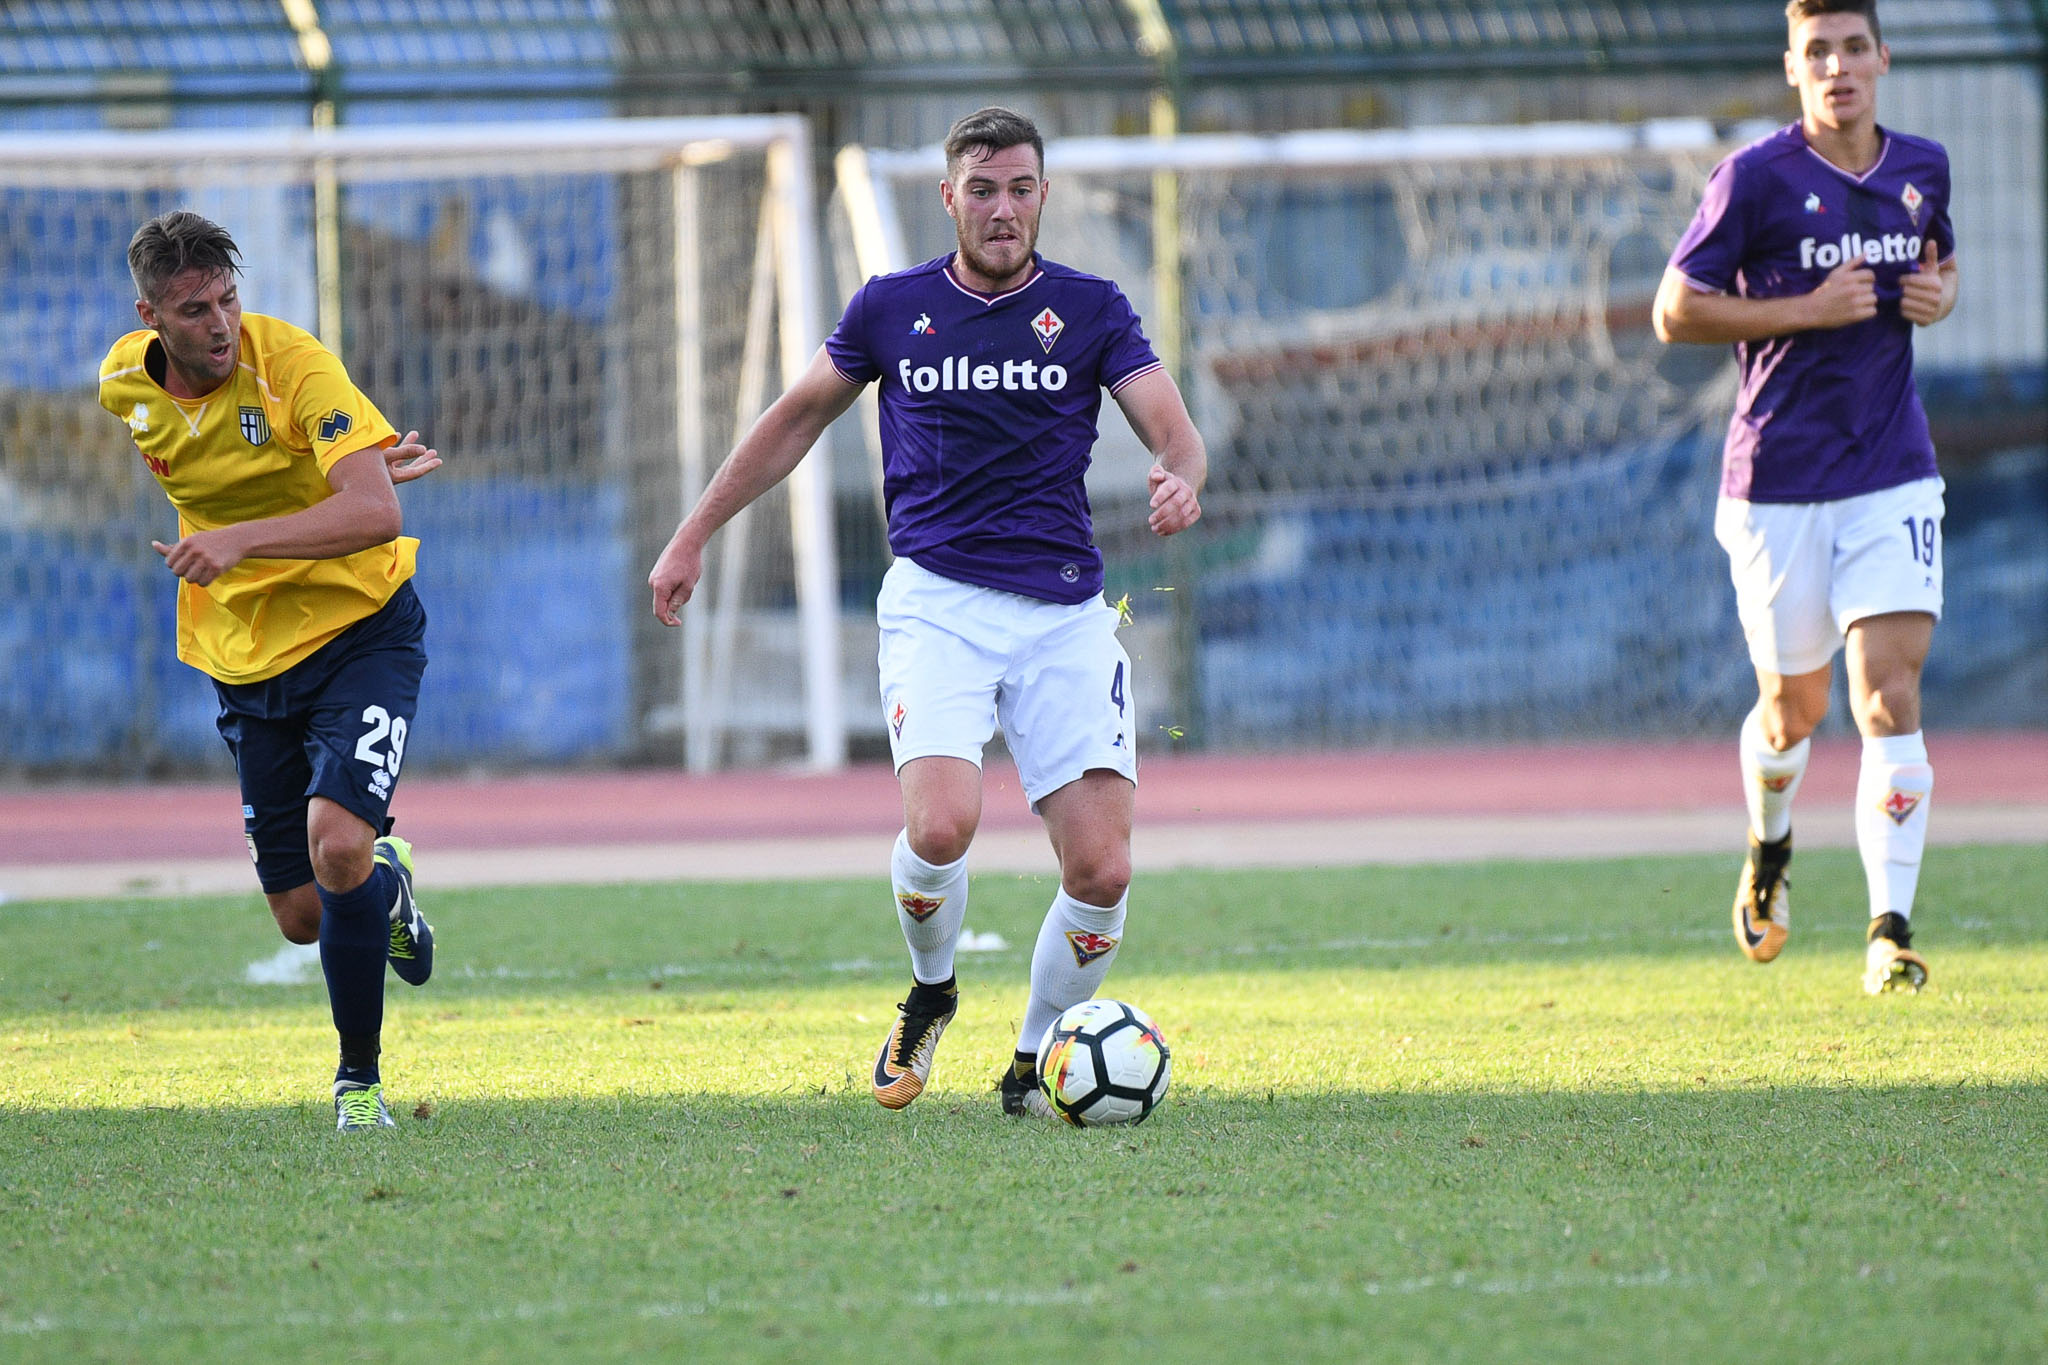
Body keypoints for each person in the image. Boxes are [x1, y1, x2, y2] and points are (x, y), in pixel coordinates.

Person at [648, 106, 1205, 1115]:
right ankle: (930, 991)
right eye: (982, 189)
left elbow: (1174, 430)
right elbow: (789, 424)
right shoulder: (890, 308)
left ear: (1043, 194)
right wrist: (692, 534)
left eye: (1020, 188)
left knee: (1103, 866)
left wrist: (1180, 477)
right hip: (937, 604)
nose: (1002, 208)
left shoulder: (1090, 310)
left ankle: (1034, 1060)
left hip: (1064, 616)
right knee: (942, 828)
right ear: (948, 197)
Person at [100, 211, 442, 1129]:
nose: (218, 323)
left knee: (337, 844)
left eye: (228, 299)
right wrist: (322, 483)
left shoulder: (292, 362)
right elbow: (242, 472)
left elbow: (373, 518)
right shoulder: (123, 388)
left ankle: (358, 1082)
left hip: (360, 630)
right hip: (245, 660)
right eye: (193, 308)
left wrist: (268, 526)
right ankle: (390, 885)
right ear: (149, 317)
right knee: (301, 913)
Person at [1653, 0, 1957, 994]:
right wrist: (1800, 309)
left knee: (1886, 695)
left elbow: (1936, 266)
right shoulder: (1752, 178)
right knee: (1791, 711)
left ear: (1880, 58)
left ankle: (1887, 933)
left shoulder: (1920, 168)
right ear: (1791, 68)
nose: (1836, 67)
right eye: (1816, 51)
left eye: (1852, 48)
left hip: (1889, 470)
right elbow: (1674, 310)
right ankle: (1769, 845)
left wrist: (1939, 294)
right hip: (1776, 482)